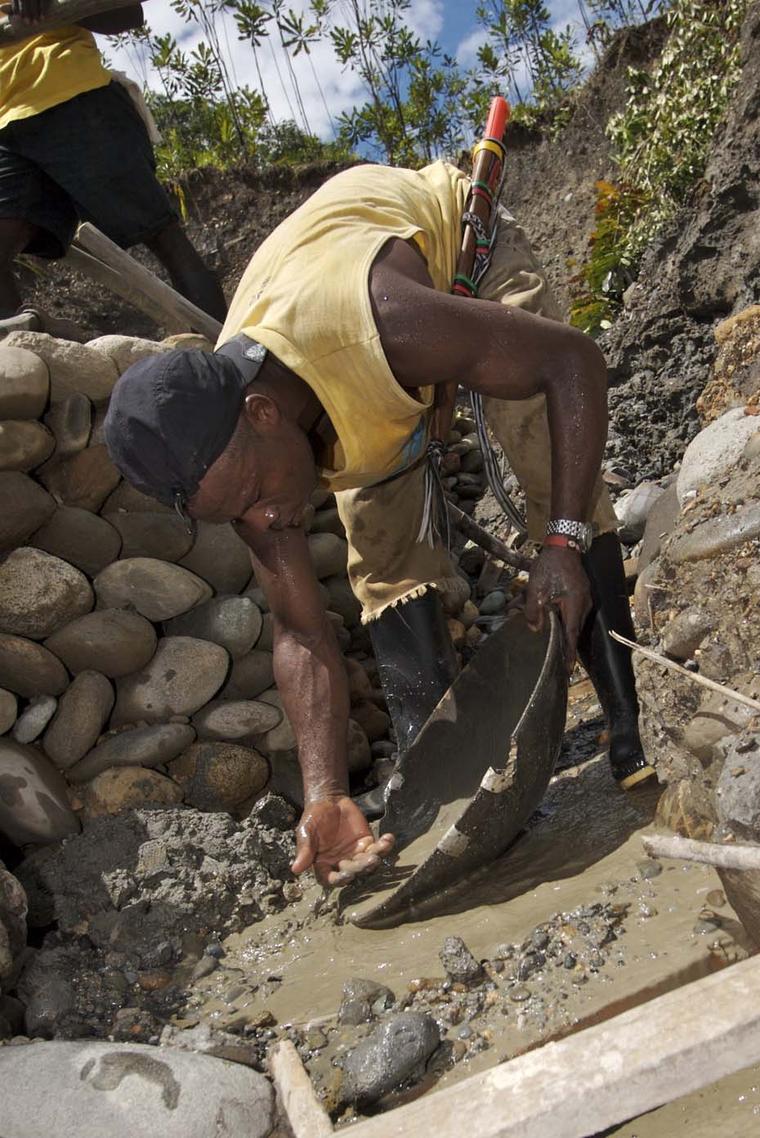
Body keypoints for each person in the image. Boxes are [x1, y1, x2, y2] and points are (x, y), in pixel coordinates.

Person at [103, 159, 654, 888]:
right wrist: (325, 792)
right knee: (383, 554)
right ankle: (445, 786)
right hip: (345, 389)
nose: (265, 522)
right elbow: (302, 630)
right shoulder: (237, 470)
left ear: (263, 413)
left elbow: (572, 362)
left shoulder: (382, 321)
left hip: (455, 263)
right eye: (235, 514)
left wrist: (561, 544)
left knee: (547, 457)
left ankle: (627, 723)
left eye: (257, 495)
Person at [0, 1, 227, 327]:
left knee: (164, 240)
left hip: (74, 97)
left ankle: (228, 363)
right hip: (6, 131)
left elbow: (127, 13)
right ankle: (29, 366)